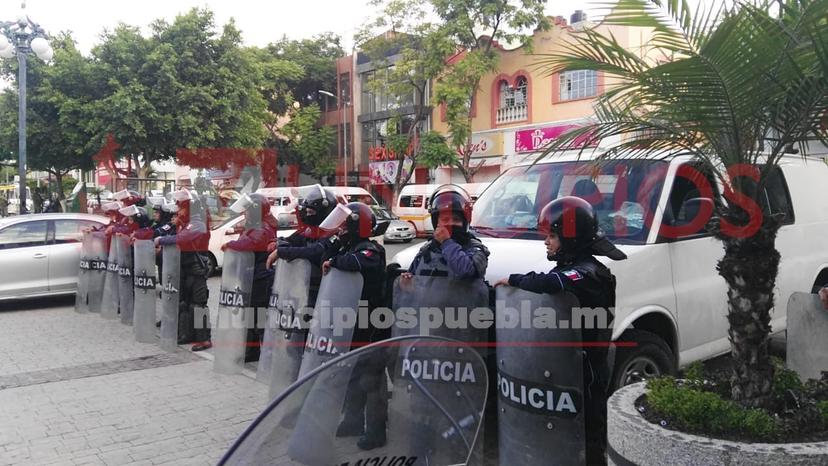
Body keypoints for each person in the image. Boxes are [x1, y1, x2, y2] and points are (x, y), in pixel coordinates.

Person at [494, 196, 627, 466]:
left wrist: (514, 279)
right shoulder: (573, 267)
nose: (546, 241)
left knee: (589, 431)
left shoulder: (588, 273)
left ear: (571, 239)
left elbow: (551, 282)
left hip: (588, 370)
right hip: (572, 366)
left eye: (552, 236)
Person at [321, 202, 388, 451]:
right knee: (353, 375)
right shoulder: (349, 246)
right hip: (353, 324)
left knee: (372, 380)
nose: (340, 230)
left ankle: (376, 430)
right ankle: (352, 421)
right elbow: (326, 253)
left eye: (344, 225)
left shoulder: (370, 250)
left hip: (372, 325)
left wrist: (334, 261)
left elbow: (355, 263)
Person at [222, 193, 278, 362]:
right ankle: (251, 352)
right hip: (251, 276)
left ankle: (264, 354)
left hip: (261, 278)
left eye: (247, 210)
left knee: (258, 317)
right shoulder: (254, 225)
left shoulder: (263, 228)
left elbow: (252, 244)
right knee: (250, 316)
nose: (244, 213)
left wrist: (231, 244)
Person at [156, 190, 212, 351]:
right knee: (184, 303)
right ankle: (186, 334)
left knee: (198, 303)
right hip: (185, 266)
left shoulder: (198, 222)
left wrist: (161, 240)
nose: (178, 211)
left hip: (197, 267)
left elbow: (183, 239)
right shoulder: (186, 222)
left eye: (180, 208)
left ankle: (204, 339)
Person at [265, 185, 339, 306]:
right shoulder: (311, 231)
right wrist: (277, 243)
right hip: (304, 288)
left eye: (311, 212)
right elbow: (293, 239)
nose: (307, 215)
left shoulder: (334, 232)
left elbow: (315, 250)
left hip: (326, 293)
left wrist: (282, 252)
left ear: (323, 212)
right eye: (307, 211)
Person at [403, 185, 489, 280]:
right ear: (436, 223)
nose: (450, 223)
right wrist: (407, 283)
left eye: (456, 219)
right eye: (445, 219)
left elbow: (466, 271)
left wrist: (446, 242)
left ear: (464, 222)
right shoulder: (427, 250)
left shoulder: (475, 249)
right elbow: (413, 278)